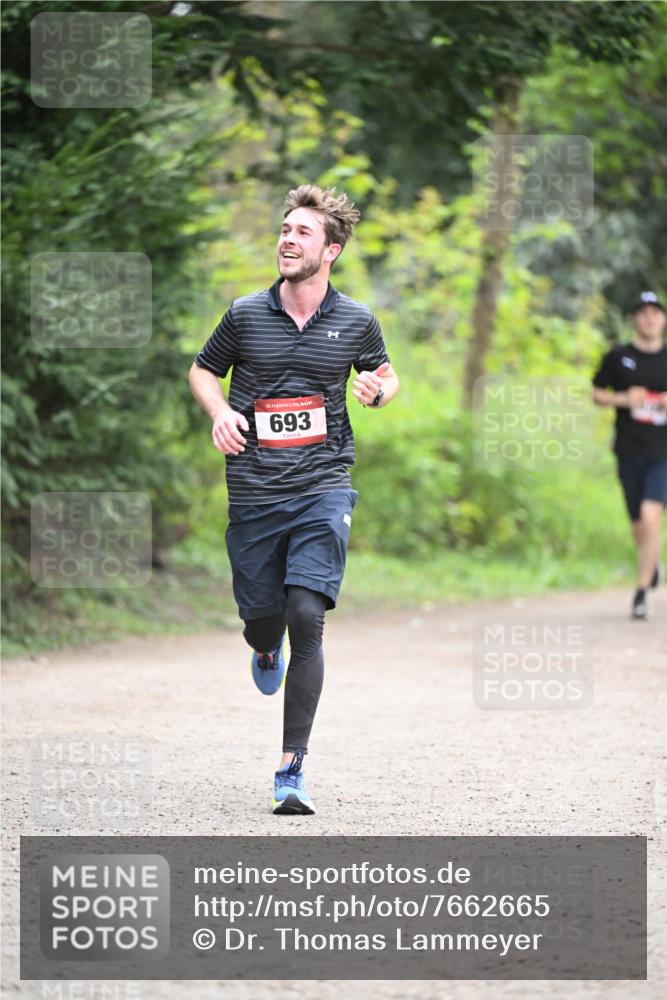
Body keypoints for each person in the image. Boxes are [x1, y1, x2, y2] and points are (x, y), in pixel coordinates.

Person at [189, 184, 399, 813]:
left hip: (323, 485)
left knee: (308, 612)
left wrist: (378, 392)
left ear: (330, 250)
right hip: (254, 492)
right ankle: (262, 644)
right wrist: (221, 411)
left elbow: (386, 375)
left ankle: (291, 769)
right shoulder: (246, 313)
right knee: (264, 619)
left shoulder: (356, 320)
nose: (287, 238)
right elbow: (203, 370)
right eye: (284, 229)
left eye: (302, 232)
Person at [592, 290, 667, 620]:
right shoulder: (618, 356)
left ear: (663, 319)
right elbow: (596, 393)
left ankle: (641, 592)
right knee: (638, 526)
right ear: (635, 319)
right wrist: (624, 399)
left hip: (663, 452)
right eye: (643, 312)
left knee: (652, 518)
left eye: (655, 312)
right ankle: (651, 565)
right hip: (629, 450)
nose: (649, 318)